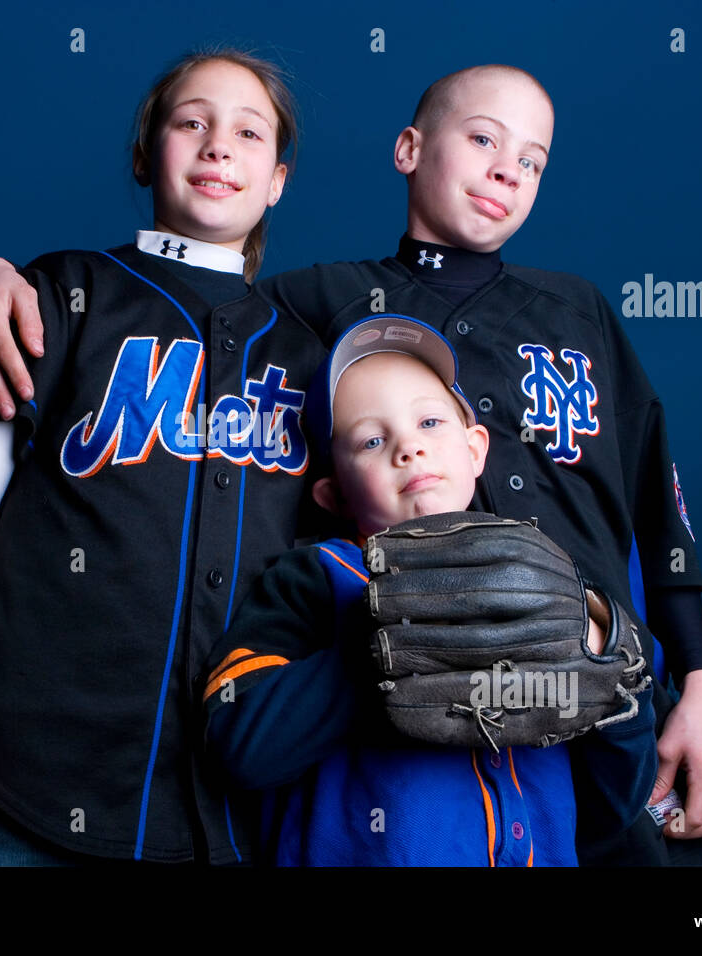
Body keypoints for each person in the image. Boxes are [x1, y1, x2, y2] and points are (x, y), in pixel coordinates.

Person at [0, 63, 702, 862]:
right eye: (483, 139)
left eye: (532, 160)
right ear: (409, 149)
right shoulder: (317, 301)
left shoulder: (582, 308)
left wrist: (701, 676)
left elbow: (654, 502)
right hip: (407, 729)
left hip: (591, 700)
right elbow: (203, 287)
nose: (506, 168)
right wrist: (3, 278)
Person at [0, 48, 333, 865]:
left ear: (277, 181)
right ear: (143, 151)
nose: (217, 145)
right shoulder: (61, 293)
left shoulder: (310, 358)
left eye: (248, 132)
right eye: (190, 121)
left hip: (236, 818)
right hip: (21, 794)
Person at [202, 314, 657, 864]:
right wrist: (381, 646)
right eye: (372, 439)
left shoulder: (554, 586)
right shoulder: (317, 577)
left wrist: (613, 671)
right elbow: (238, 746)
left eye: (431, 423)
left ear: (476, 449)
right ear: (333, 494)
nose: (408, 448)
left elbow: (613, 804)